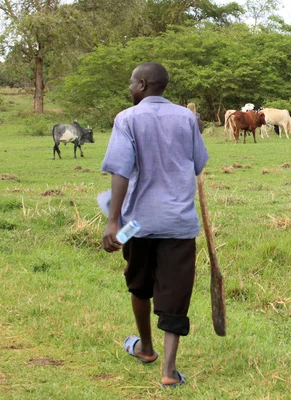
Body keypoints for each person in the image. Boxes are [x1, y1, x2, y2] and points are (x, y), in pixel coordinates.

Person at [101, 62, 208, 388]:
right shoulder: (186, 118)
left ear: (143, 85)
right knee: (175, 292)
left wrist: (112, 220)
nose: (129, 87)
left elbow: (120, 171)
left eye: (132, 81)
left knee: (139, 282)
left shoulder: (127, 118)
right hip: (179, 222)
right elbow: (198, 163)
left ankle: (146, 348)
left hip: (136, 223)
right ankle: (169, 370)